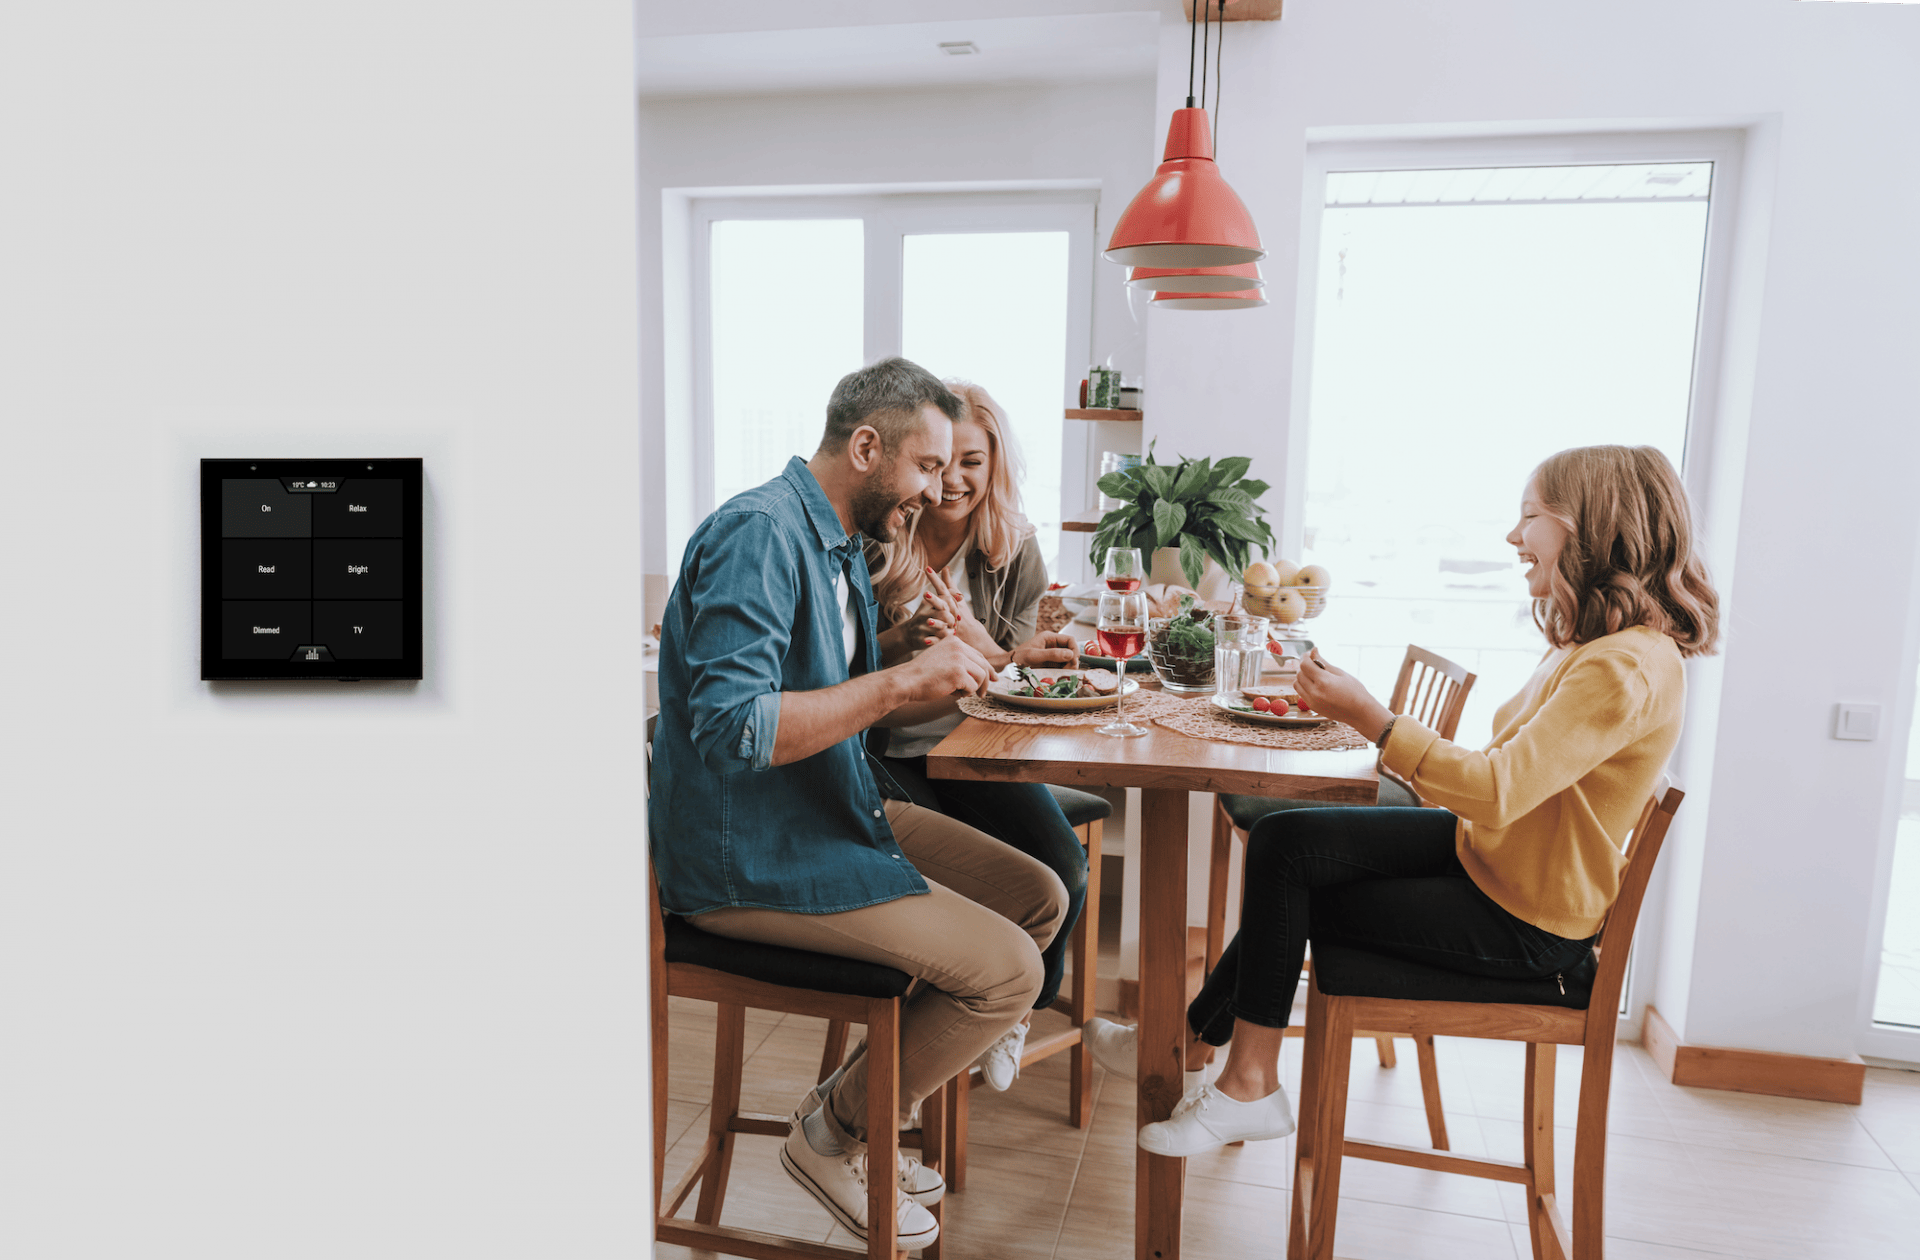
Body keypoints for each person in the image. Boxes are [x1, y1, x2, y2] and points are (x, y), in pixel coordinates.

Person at [1086, 445, 1719, 1156]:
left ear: (1591, 525)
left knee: (1299, 899)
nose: (1515, 537)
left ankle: (1247, 1084)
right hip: (1493, 862)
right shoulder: (1599, 644)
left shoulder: (1624, 666)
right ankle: (1187, 1044)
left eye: (1530, 517)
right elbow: (1505, 785)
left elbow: (1497, 791)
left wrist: (1374, 721)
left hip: (1528, 920)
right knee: (1285, 843)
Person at [648, 357, 1068, 1249]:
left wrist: (886, 649)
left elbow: (811, 679)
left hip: (824, 807)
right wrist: (901, 681)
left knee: (1040, 896)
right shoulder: (759, 535)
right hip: (749, 854)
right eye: (923, 467)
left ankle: (864, 1110)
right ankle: (834, 1131)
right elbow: (734, 727)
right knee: (1009, 973)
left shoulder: (834, 539)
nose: (934, 490)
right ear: (867, 446)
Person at [866, 381, 1086, 1091]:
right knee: (957, 895)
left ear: (995, 468)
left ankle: (1016, 1010)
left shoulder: (1013, 548)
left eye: (973, 462)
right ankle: (923, 1045)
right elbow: (847, 674)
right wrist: (909, 639)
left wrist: (979, 641)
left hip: (977, 746)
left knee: (1062, 866)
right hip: (894, 752)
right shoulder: (880, 538)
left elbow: (1014, 680)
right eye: (941, 463)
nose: (954, 480)